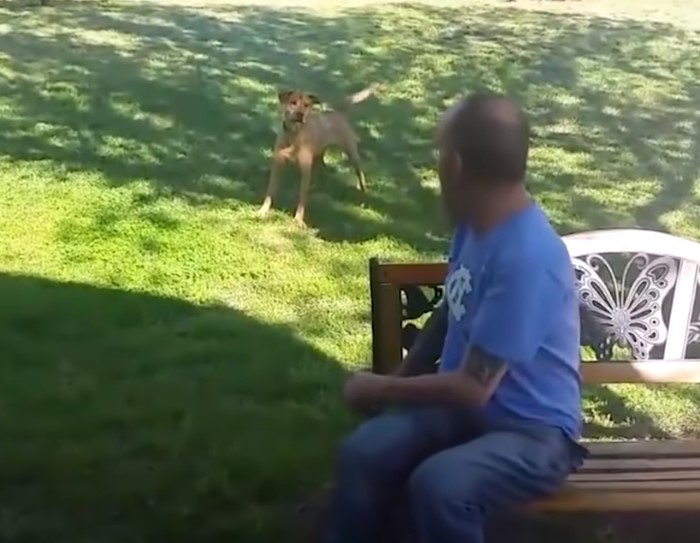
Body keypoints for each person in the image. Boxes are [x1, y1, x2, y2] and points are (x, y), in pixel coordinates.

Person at [324, 93, 587, 543]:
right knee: (364, 452)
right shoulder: (475, 224)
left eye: (440, 153)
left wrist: (380, 386)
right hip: (466, 414)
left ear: (456, 167)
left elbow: (471, 388)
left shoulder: (527, 257)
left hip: (535, 436)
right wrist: (400, 382)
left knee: (442, 485)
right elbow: (452, 309)